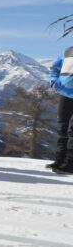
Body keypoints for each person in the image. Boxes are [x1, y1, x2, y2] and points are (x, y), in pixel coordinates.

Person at [47, 45, 73, 174]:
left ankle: (70, 163)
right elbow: (55, 68)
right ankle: (60, 160)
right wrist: (54, 82)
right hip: (65, 94)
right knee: (62, 127)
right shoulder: (69, 51)